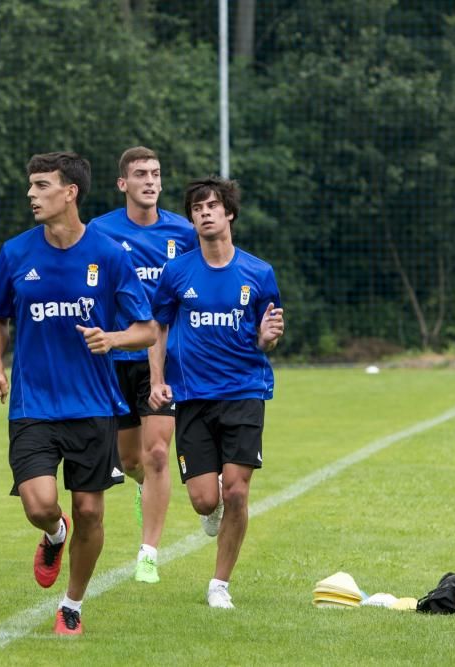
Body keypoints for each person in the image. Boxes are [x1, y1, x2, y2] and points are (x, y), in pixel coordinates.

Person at [0, 152, 156, 635]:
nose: (32, 194)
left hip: (94, 404)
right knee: (41, 506)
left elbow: (146, 329)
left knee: (90, 510)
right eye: (31, 185)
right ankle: (54, 535)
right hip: (32, 404)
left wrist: (113, 339)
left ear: (70, 192)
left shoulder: (110, 254)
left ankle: (72, 605)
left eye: (41, 185)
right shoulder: (16, 253)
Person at [149, 175, 284, 609]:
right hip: (192, 396)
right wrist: (156, 379)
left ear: (229, 214)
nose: (204, 213)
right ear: (192, 218)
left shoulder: (259, 273)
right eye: (197, 208)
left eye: (212, 206)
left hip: (245, 390)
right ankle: (213, 513)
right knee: (206, 498)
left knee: (238, 491)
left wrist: (267, 337)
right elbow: (158, 328)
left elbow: (267, 336)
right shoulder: (176, 272)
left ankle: (219, 585)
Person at [87, 146, 197, 584]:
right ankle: (141, 486)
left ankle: (148, 552)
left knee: (156, 453)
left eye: (155, 174)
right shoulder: (100, 231)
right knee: (130, 459)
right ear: (123, 184)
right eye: (140, 174)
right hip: (115, 358)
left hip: (165, 361)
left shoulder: (183, 232)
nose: (150, 181)